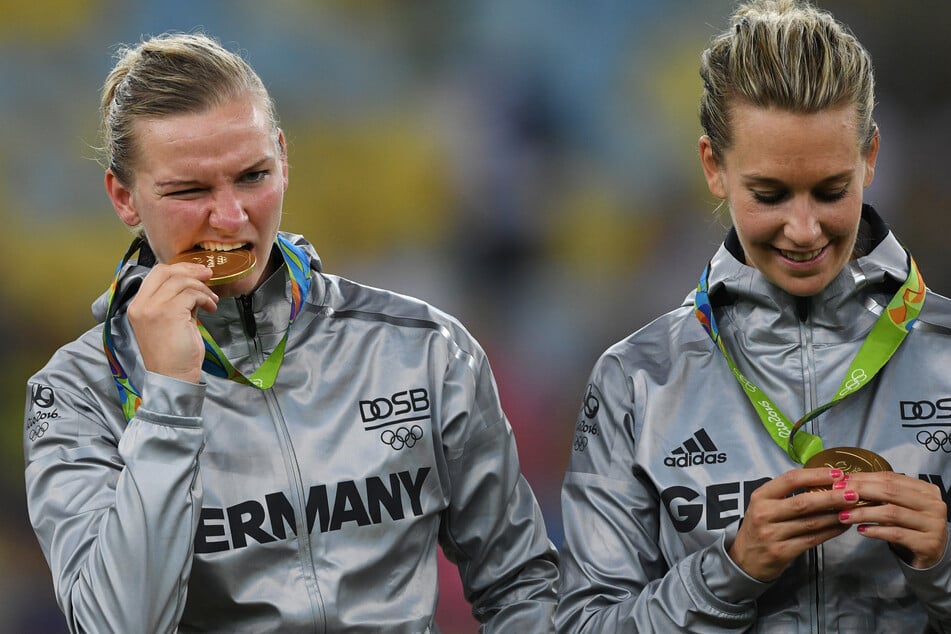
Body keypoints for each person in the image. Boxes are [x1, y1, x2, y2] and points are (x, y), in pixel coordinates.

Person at [23, 32, 559, 633]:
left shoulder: (424, 348)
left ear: (283, 157)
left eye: (252, 176)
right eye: (190, 190)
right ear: (124, 196)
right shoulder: (77, 393)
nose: (230, 217)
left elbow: (521, 585)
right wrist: (169, 401)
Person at [556, 0, 951, 631]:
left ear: (870, 157)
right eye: (769, 195)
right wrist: (731, 571)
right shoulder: (637, 379)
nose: (803, 230)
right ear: (714, 166)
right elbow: (582, 625)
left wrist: (944, 562)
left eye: (831, 190)